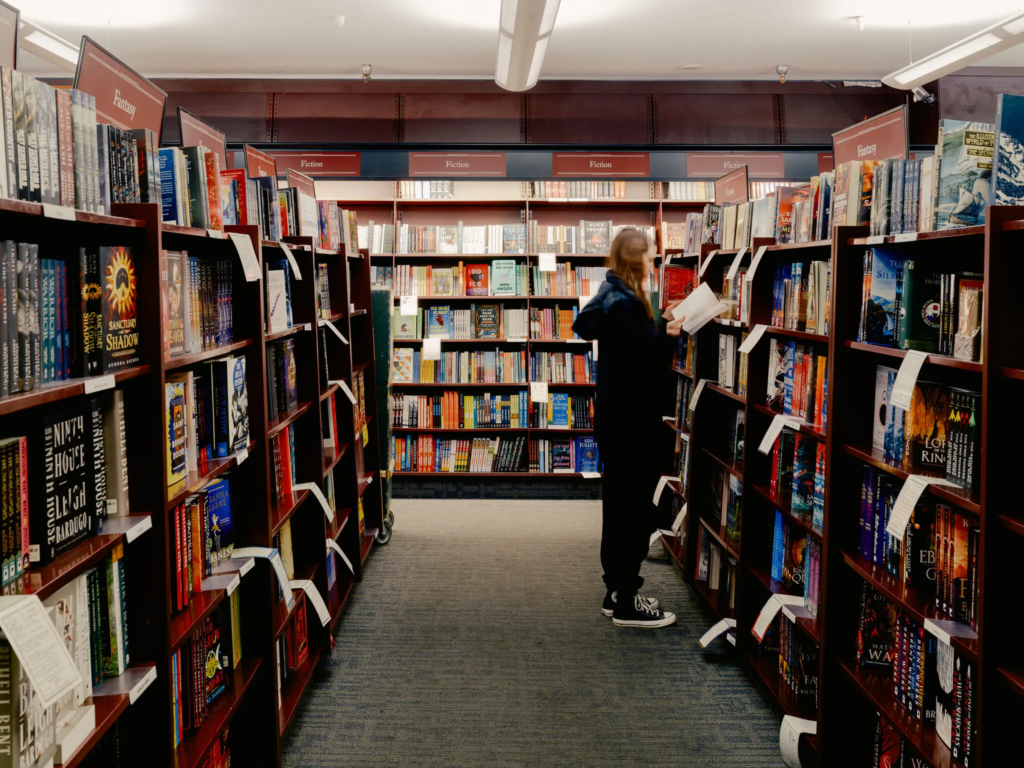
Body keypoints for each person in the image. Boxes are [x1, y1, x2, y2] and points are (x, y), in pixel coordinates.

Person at [572, 228, 685, 628]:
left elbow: (626, 348)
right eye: (651, 256)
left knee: (617, 505)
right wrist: (667, 336)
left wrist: (658, 330)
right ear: (638, 259)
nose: (655, 262)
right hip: (634, 423)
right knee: (634, 509)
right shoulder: (629, 305)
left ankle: (614, 590)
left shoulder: (610, 294)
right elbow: (646, 365)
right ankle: (626, 600)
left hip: (615, 420)